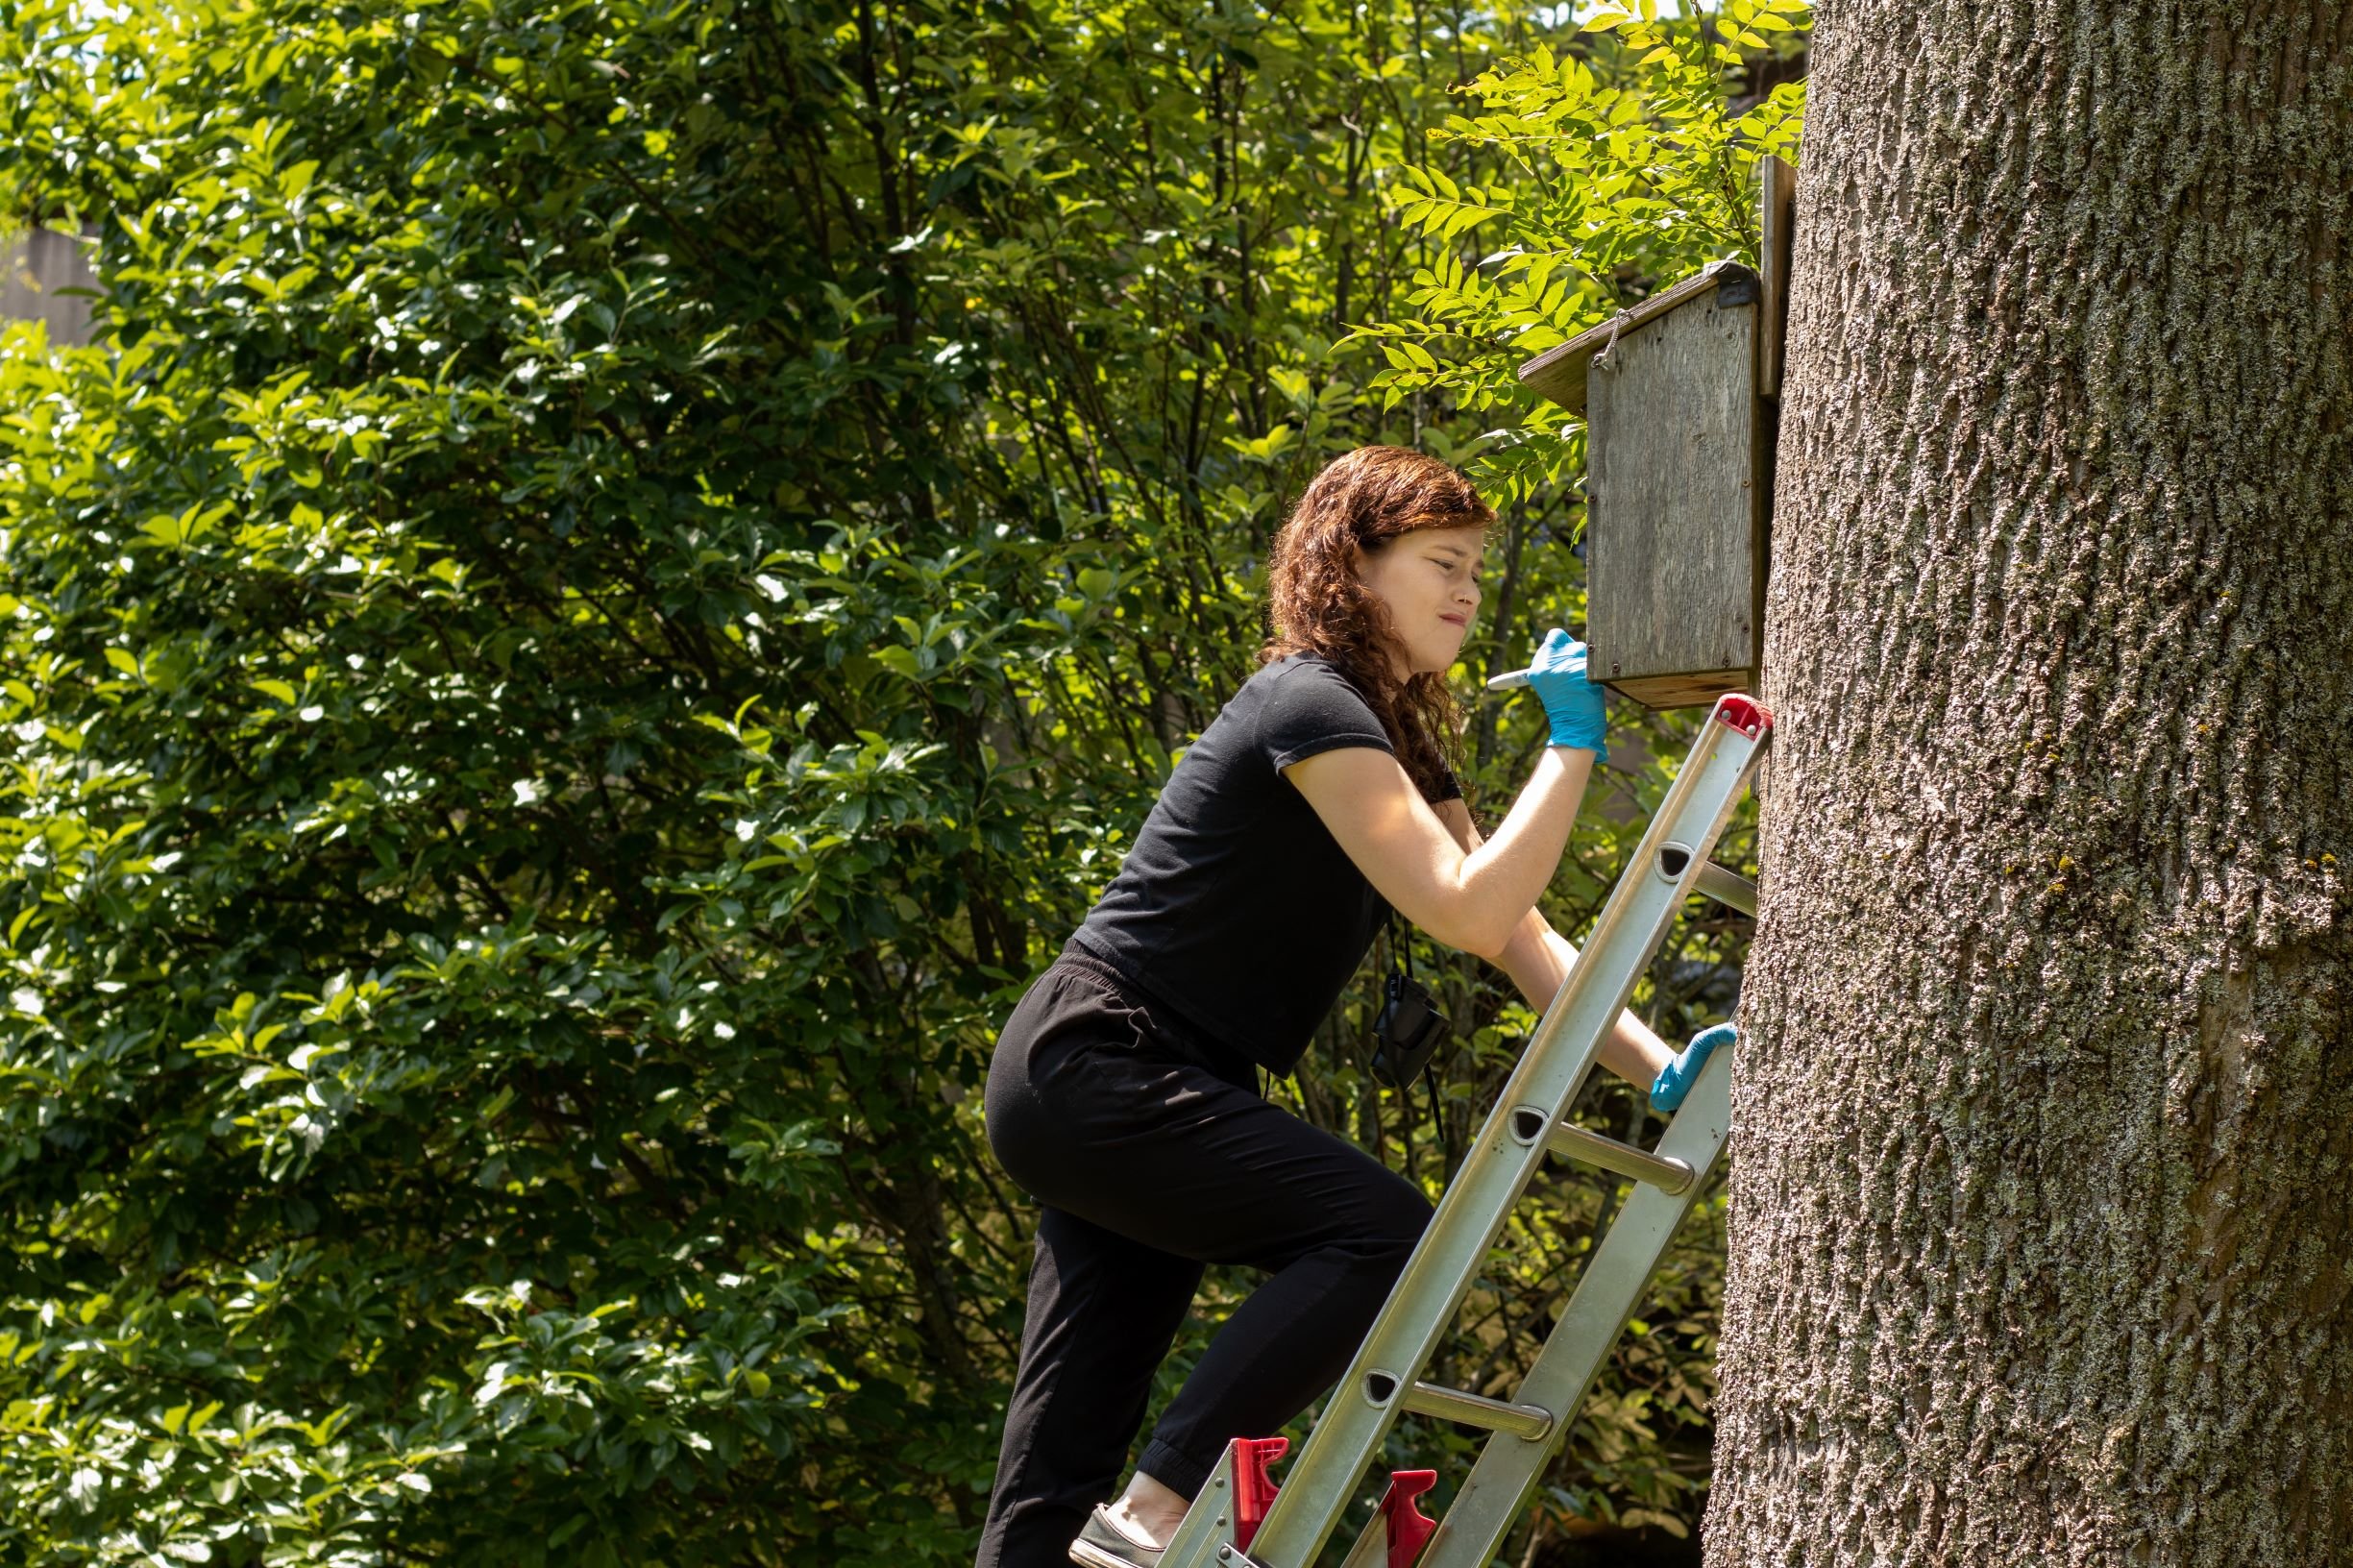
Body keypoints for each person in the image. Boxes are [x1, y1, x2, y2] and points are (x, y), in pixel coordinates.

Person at [975, 446, 1730, 1568]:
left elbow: (1518, 936)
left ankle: (1103, 1528)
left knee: (1065, 1439)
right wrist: (1573, 749)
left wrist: (1656, 1069)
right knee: (1377, 1233)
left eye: (1478, 564)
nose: (1469, 590)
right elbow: (1465, 915)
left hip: (1148, 1080)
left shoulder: (1396, 739)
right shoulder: (1308, 702)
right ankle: (1161, 1510)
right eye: (1442, 561)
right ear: (1353, 568)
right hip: (1102, 1059)